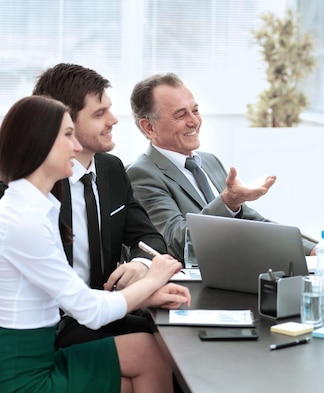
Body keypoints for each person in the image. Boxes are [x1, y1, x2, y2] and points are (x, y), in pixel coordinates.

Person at [0, 95, 191, 393]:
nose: (76, 147)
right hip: (21, 375)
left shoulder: (37, 206)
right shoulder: (24, 220)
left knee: (148, 351)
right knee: (137, 374)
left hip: (39, 350)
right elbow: (87, 310)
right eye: (67, 136)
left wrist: (145, 297)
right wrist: (152, 280)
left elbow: (68, 298)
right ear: (39, 143)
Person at [30, 63, 171, 348]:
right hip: (52, 327)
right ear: (63, 123)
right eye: (99, 114)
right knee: (153, 348)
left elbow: (150, 237)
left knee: (172, 340)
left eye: (109, 108)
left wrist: (142, 265)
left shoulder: (111, 169)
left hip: (104, 311)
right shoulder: (33, 186)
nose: (113, 120)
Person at [126, 73, 316, 261]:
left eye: (195, 110)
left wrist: (311, 249)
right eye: (181, 115)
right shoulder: (141, 174)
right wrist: (227, 202)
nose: (194, 121)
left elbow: (253, 223)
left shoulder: (209, 161)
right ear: (149, 127)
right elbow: (178, 243)